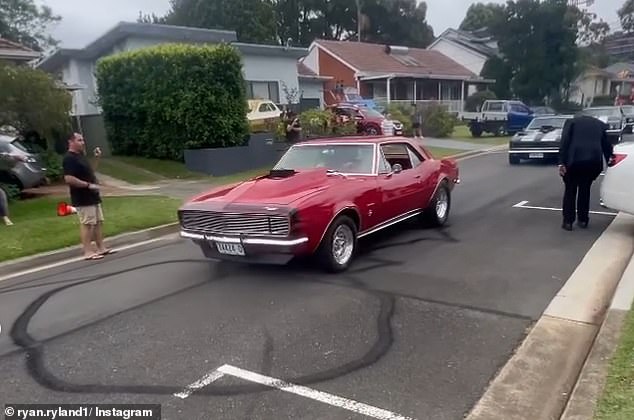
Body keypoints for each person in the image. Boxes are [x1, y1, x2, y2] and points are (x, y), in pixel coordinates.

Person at [62, 133, 115, 260]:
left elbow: (90, 171)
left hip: (92, 195)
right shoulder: (69, 158)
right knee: (87, 223)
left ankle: (101, 247)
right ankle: (88, 251)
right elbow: (69, 178)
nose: (83, 142)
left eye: (83, 140)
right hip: (82, 197)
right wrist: (87, 185)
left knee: (97, 222)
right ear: (71, 142)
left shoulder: (80, 156)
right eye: (79, 140)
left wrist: (97, 158)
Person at [558, 113, 614, 231]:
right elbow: (606, 145)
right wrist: (610, 160)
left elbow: (565, 142)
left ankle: (568, 221)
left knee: (570, 191)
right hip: (593, 161)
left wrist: (561, 162)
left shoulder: (571, 122)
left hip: (574, 161)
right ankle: (583, 220)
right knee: (585, 190)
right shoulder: (599, 124)